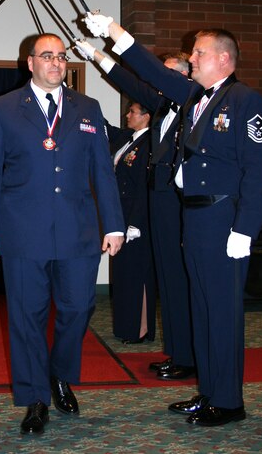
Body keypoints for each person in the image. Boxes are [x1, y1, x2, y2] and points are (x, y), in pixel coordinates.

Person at [84, 13, 262, 426]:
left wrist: (245, 228)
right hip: (195, 217)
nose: (192, 58)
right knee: (202, 308)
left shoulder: (244, 101)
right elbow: (150, 72)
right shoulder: (194, 98)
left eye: (199, 53)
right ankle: (208, 391)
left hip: (224, 217)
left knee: (221, 312)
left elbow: (259, 171)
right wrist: (115, 34)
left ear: (223, 59)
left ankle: (228, 400)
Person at [0, 33, 124, 436]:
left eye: (61, 56)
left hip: (79, 231)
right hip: (22, 232)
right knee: (27, 317)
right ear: (30, 62)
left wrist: (114, 224)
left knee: (78, 309)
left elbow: (103, 173)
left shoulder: (87, 108)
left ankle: (60, 373)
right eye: (47, 56)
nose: (56, 63)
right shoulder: (2, 109)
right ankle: (36, 397)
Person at [75, 40, 196, 380]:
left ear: (186, 78)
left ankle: (189, 355)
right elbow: (132, 83)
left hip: (177, 204)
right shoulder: (163, 109)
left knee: (178, 283)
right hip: (161, 205)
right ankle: (179, 353)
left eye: (167, 74)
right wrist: (98, 56)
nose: (159, 81)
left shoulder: (190, 103)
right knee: (170, 285)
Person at [106, 101, 156, 344]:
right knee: (124, 273)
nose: (128, 115)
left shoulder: (149, 143)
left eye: (133, 112)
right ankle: (127, 327)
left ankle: (141, 329)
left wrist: (136, 222)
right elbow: (104, 128)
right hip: (120, 213)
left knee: (137, 273)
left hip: (136, 216)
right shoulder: (129, 136)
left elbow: (144, 187)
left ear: (146, 117)